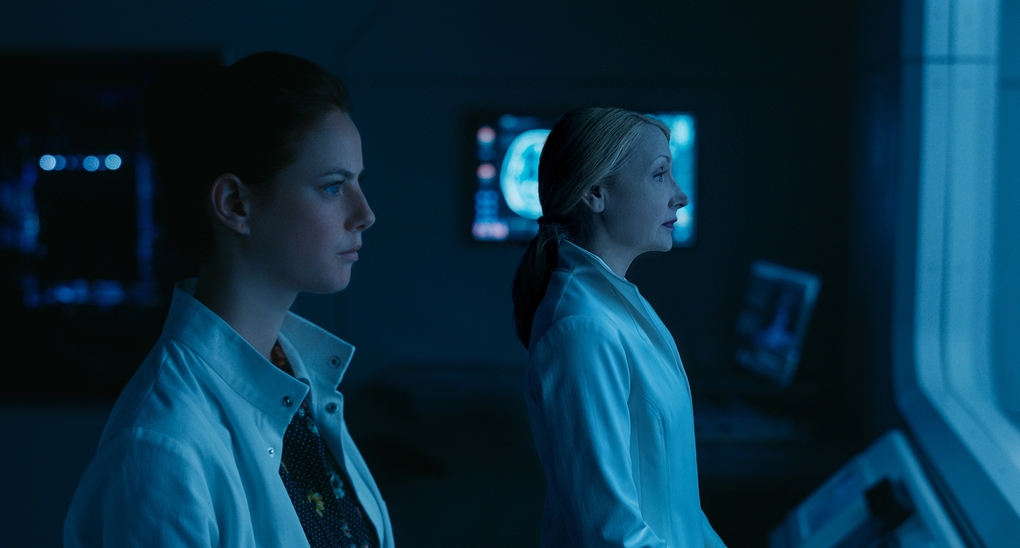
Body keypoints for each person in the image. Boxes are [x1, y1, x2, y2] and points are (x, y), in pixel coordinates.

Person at [64, 52, 394, 547]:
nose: (365, 214)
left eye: (357, 183)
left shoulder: (298, 386)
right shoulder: (163, 447)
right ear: (236, 204)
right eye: (332, 187)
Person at [512, 107, 726, 548]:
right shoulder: (581, 330)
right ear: (595, 193)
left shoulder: (620, 307)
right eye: (659, 175)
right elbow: (612, 537)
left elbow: (680, 510)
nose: (680, 196)